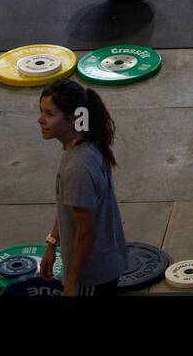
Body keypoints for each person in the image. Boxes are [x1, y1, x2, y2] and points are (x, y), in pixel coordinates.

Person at [37, 79, 129, 296]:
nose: (40, 119)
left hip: (93, 275)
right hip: (105, 263)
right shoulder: (84, 145)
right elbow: (70, 208)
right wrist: (52, 243)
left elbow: (86, 231)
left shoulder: (78, 168)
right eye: (41, 111)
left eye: (50, 114)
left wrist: (72, 281)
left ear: (73, 118)